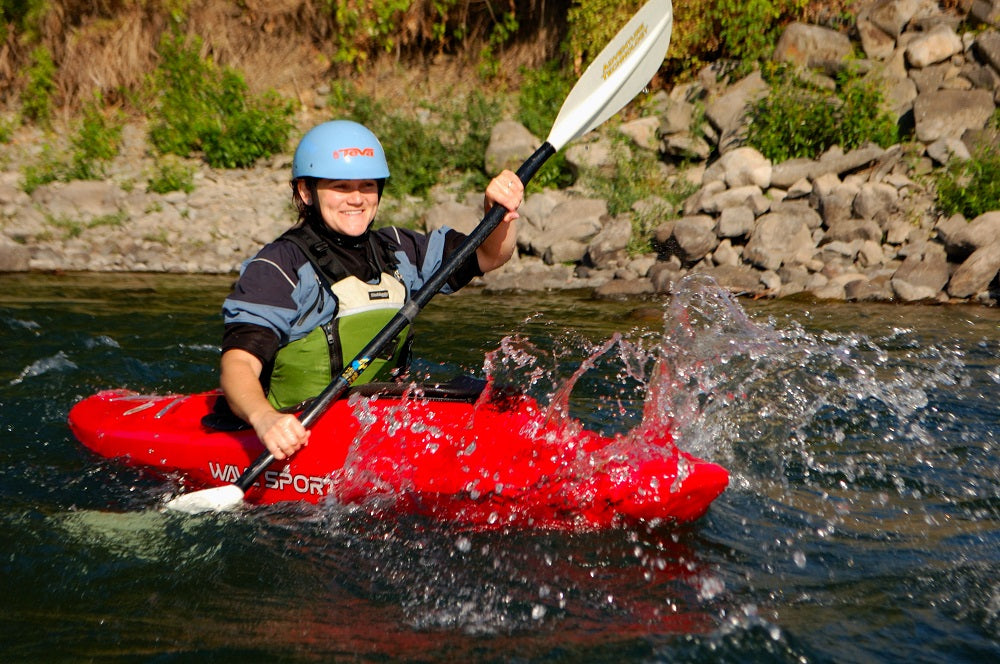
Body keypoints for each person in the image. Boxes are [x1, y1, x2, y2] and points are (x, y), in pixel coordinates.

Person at [218, 120, 523, 462]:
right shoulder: (278, 266)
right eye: (341, 187)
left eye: (367, 185)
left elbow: (488, 254)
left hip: (379, 429)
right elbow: (239, 362)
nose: (357, 199)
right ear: (306, 192)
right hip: (296, 433)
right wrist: (265, 419)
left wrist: (501, 214)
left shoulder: (399, 249)